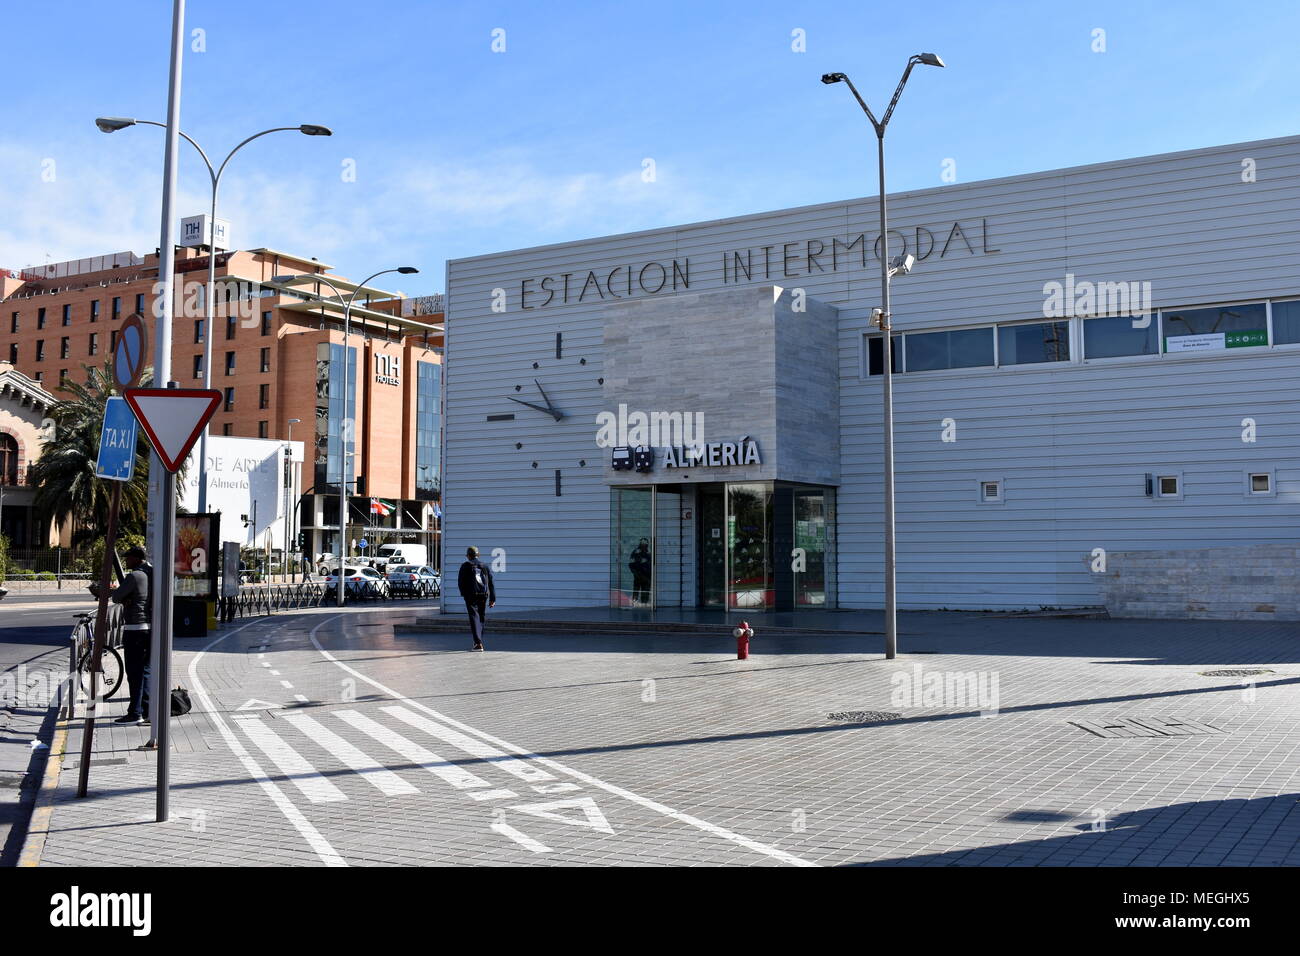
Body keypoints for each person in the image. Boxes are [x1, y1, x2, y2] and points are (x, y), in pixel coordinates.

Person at [89, 544, 152, 724]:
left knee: (134, 672)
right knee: (145, 671)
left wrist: (125, 597)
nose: (126, 560)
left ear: (137, 558)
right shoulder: (151, 573)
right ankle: (147, 711)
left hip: (134, 628)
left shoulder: (134, 576)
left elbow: (116, 597)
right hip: (149, 627)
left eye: (129, 557)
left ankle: (135, 713)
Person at [457, 546, 495, 651]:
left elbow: (460, 582)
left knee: (474, 617)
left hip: (471, 596)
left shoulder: (465, 566)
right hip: (483, 595)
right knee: (481, 617)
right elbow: (491, 583)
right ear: (478, 555)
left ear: (468, 556)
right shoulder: (485, 566)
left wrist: (464, 594)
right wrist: (492, 598)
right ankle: (478, 641)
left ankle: (478, 643)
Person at [628, 538, 652, 605]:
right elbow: (631, 565)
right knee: (636, 593)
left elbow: (652, 565)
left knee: (645, 593)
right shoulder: (636, 553)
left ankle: (644, 604)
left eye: (645, 544)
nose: (644, 545)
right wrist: (636, 574)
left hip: (646, 577)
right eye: (643, 544)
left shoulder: (649, 553)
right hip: (639, 577)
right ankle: (635, 605)